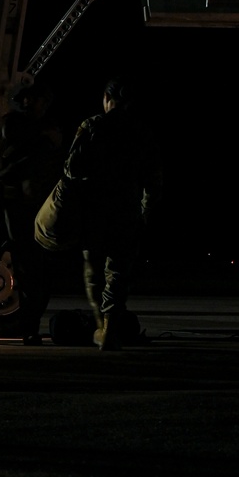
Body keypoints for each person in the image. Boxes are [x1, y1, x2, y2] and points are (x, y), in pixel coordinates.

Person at [61, 78, 162, 351]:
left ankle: (100, 327)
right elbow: (153, 181)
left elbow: (71, 169)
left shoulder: (93, 125)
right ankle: (110, 329)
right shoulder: (141, 131)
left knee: (93, 271)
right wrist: (144, 211)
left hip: (94, 211)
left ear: (106, 98)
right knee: (117, 274)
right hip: (127, 211)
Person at [0, 80, 63, 345]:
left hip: (24, 203)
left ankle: (29, 326)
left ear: (44, 103)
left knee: (28, 266)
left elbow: (34, 161)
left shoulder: (46, 130)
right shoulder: (20, 126)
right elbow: (18, 145)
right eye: (24, 99)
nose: (27, 103)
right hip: (4, 199)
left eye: (34, 99)